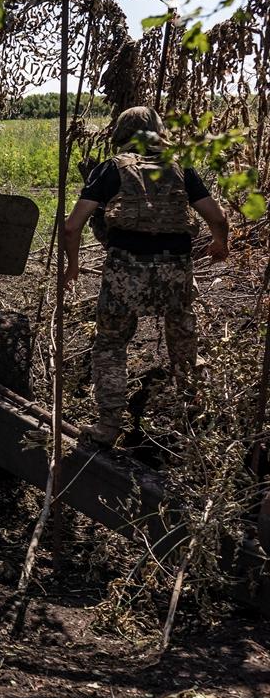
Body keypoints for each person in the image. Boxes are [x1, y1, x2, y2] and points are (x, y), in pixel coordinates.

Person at [62, 106, 230, 446]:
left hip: (126, 271)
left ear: (120, 134)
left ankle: (108, 427)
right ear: (159, 132)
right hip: (176, 271)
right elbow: (218, 215)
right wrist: (220, 243)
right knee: (183, 342)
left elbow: (71, 226)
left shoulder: (111, 169)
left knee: (110, 345)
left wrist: (74, 266)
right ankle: (193, 422)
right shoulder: (180, 168)